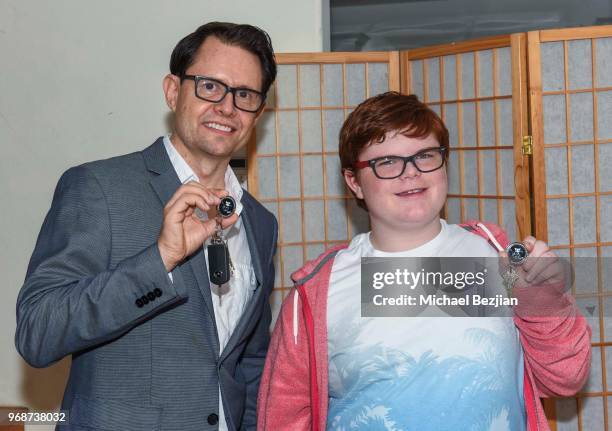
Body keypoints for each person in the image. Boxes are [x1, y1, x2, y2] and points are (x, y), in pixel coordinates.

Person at [257, 92, 591, 431]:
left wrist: (541, 299)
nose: (411, 173)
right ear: (354, 182)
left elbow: (565, 378)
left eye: (426, 155)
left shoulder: (497, 256)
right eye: (386, 162)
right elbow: (282, 419)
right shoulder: (316, 293)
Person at [15, 22, 277, 431]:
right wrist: (161, 259)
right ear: (173, 91)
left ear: (258, 111)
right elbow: (38, 331)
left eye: (244, 95)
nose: (227, 107)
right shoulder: (99, 188)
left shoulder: (259, 221)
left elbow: (249, 360)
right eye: (210, 86)